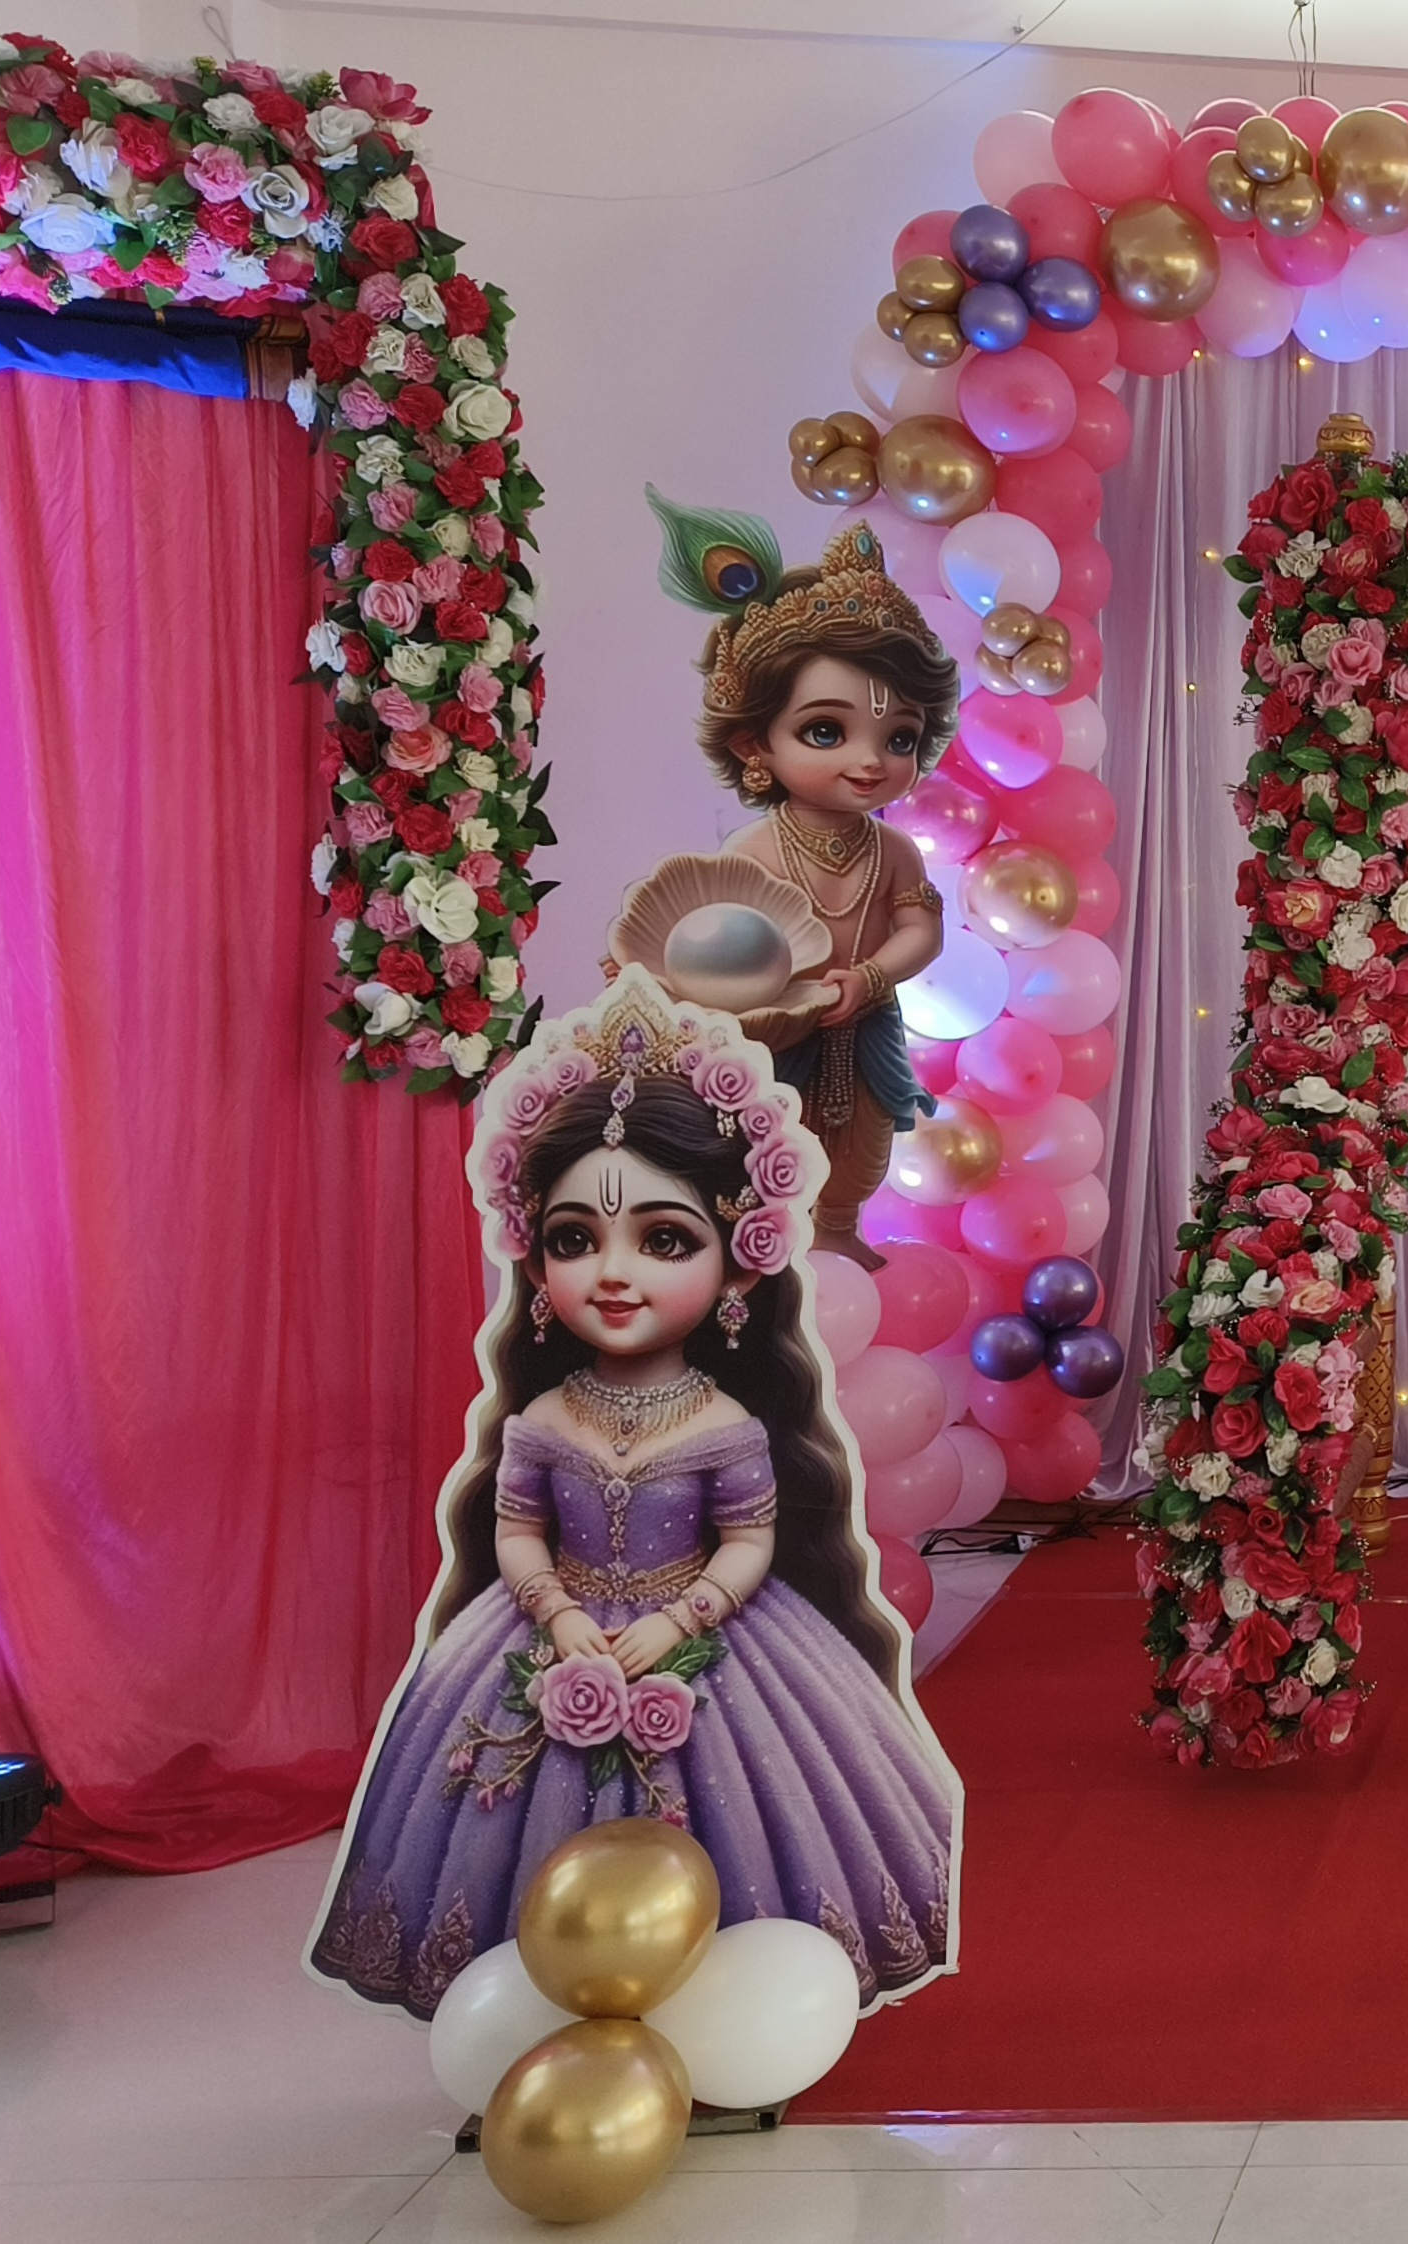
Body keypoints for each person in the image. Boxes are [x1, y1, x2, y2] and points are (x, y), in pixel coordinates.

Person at [310, 970, 961, 2020]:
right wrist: (558, 1614)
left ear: (738, 1267)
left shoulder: (726, 1426)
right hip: (541, 1634)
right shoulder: (540, 1421)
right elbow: (517, 1529)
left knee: (748, 1821)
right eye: (574, 1240)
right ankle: (531, 1998)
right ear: (537, 1257)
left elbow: (748, 1539)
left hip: (706, 1637)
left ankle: (730, 2010)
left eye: (663, 1240)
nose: (613, 1274)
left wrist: (685, 1617)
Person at [654, 491, 960, 1267]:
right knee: (757, 1135)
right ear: (757, 743)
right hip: (770, 1032)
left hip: (862, 1027)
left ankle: (837, 1232)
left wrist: (868, 978)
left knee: (863, 1138)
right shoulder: (754, 850)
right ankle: (764, 1242)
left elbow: (922, 928)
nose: (869, 760)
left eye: (899, 738)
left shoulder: (894, 853)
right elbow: (705, 944)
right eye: (826, 731)